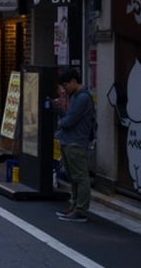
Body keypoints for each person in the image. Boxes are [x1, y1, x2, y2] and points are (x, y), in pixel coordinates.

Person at [54, 69, 95, 223]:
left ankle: (81, 209)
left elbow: (69, 120)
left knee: (79, 177)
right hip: (69, 140)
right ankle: (75, 206)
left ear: (73, 81)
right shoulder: (76, 97)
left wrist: (60, 122)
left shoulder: (83, 97)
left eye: (65, 85)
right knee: (73, 176)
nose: (64, 89)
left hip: (76, 141)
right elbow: (68, 118)